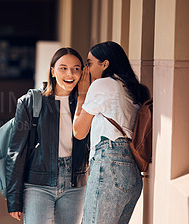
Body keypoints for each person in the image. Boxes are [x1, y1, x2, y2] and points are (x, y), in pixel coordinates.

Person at [6, 48, 90, 224]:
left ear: (82, 71)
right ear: (52, 71)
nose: (70, 74)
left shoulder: (88, 102)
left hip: (76, 184)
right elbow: (16, 151)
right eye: (63, 68)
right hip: (38, 183)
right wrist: (14, 198)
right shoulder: (31, 101)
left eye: (76, 68)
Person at [73, 41, 151, 224]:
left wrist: (82, 94)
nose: (86, 69)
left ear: (105, 64)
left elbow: (78, 131)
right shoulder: (129, 88)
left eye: (90, 63)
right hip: (130, 171)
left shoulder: (103, 85)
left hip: (109, 165)